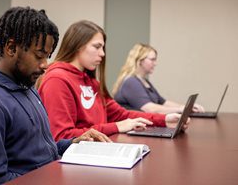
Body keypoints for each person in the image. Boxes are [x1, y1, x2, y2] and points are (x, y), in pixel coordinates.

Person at [0, 7, 111, 185]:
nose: (45, 65)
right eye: (39, 56)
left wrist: (73, 143)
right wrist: (54, 177)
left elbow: (40, 153)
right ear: (11, 47)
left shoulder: (26, 88)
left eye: (47, 56)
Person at [38, 20, 190, 142]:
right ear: (77, 46)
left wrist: (165, 120)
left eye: (103, 48)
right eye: (97, 47)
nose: (102, 54)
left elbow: (121, 115)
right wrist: (116, 127)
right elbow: (62, 137)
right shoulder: (57, 80)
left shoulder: (91, 82)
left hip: (98, 152)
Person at [112, 43, 204, 114]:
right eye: (152, 59)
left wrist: (186, 107)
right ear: (140, 60)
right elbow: (150, 109)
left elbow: (162, 102)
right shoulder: (131, 82)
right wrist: (181, 109)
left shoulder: (143, 81)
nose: (155, 63)